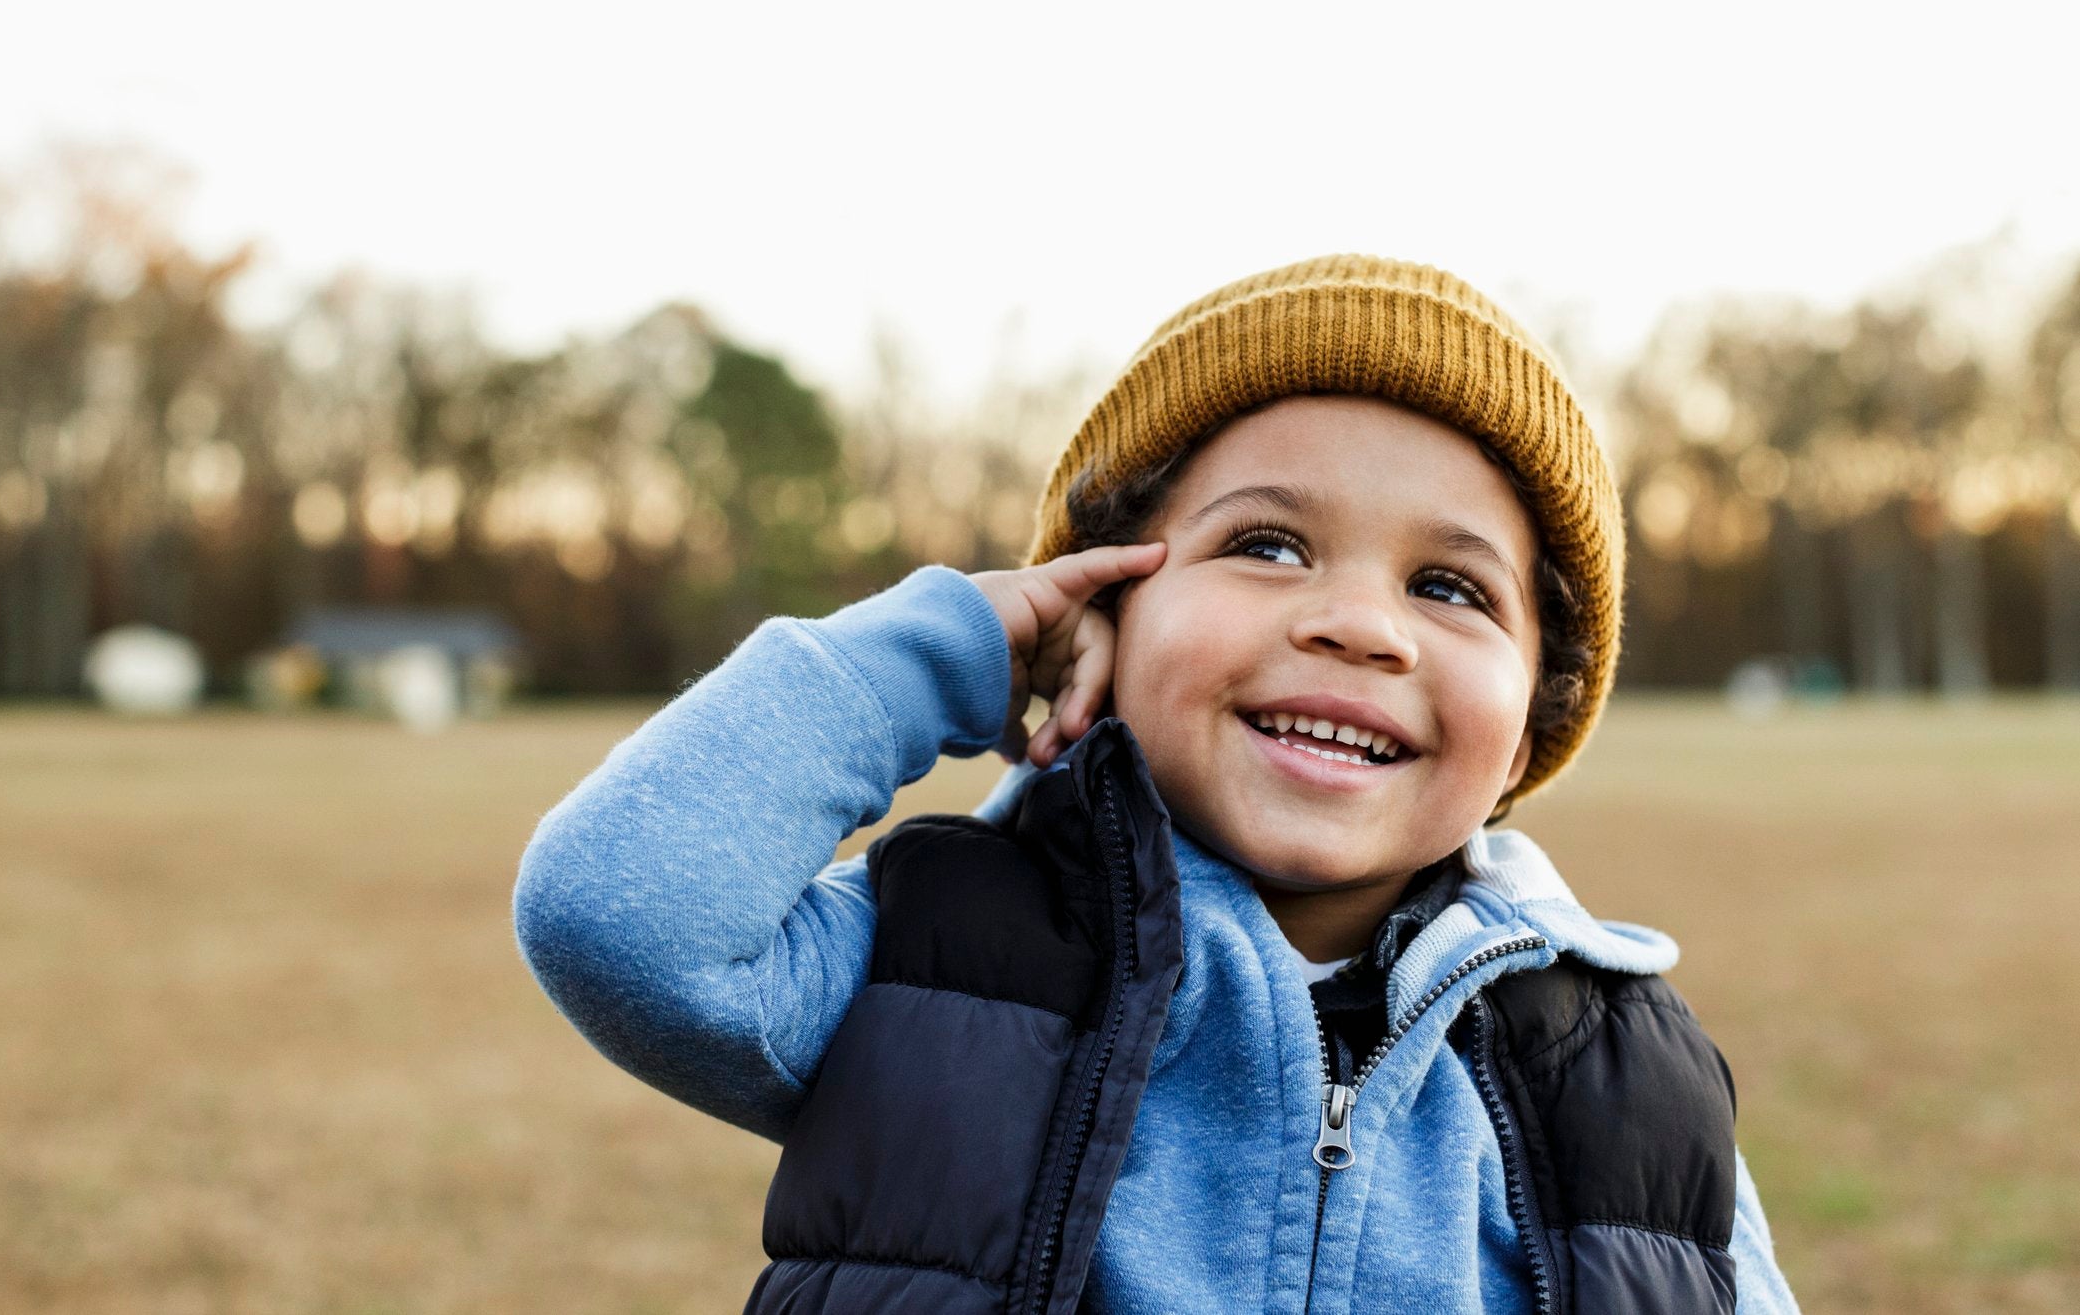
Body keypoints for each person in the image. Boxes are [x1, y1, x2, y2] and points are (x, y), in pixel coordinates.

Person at [513, 254, 1801, 1313]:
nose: (1360, 624)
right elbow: (616, 914)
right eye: (1268, 543)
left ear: (1528, 732)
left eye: (1449, 588)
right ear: (1105, 611)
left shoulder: (1630, 1085)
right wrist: (959, 646)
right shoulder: (947, 962)